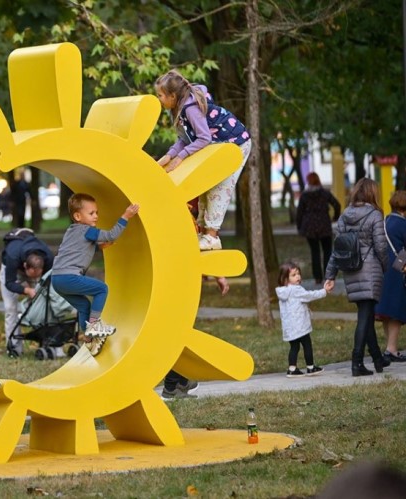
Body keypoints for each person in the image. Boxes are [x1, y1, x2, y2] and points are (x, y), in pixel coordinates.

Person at [155, 70, 252, 251]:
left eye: (160, 95)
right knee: (205, 186)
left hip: (236, 144)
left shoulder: (190, 108)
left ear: (172, 96)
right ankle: (202, 233)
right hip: (219, 145)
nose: (158, 99)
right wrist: (168, 157)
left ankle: (212, 236)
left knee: (219, 187)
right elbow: (185, 138)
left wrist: (180, 157)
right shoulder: (177, 108)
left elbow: (204, 138)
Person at [51, 193, 139, 356]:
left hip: (56, 280)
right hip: (69, 277)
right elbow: (111, 235)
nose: (96, 216)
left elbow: (79, 248)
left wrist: (100, 247)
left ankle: (89, 340)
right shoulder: (88, 230)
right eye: (91, 213)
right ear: (78, 216)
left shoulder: (71, 230)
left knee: (84, 305)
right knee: (101, 289)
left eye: (97, 212)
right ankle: (94, 325)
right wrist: (126, 216)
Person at [324, 178, 389, 377]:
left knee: (366, 314)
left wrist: (330, 274)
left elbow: (338, 248)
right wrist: (385, 267)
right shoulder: (375, 215)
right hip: (370, 270)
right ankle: (357, 361)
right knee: (364, 317)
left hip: (351, 270)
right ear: (371, 193)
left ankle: (377, 358)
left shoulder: (344, 216)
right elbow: (380, 247)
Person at [0, 227, 54, 357]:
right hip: (11, 273)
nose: (34, 278)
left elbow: (50, 280)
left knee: (46, 304)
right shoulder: (12, 256)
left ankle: (49, 343)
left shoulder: (48, 258)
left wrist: (39, 286)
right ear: (25, 266)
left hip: (33, 265)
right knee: (10, 308)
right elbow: (9, 283)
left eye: (37, 274)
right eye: (32, 275)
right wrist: (27, 290)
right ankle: (14, 348)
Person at [276, 261, 328, 378]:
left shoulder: (283, 291)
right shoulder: (296, 290)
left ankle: (292, 368)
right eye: (294, 275)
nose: (298, 277)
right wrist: (324, 291)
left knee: (294, 347)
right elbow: (310, 295)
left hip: (290, 327)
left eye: (298, 274)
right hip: (300, 326)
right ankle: (310, 367)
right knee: (307, 344)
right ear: (285, 278)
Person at [375, 190, 406, 363]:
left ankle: (389, 346)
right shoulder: (403, 225)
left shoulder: (385, 221)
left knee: (386, 310)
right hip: (398, 271)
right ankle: (392, 349)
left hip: (383, 268)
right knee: (396, 312)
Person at [296, 172, 341, 284]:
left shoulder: (305, 196)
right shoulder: (324, 193)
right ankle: (328, 276)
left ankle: (317, 277)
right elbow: (337, 205)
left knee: (314, 252)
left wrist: (300, 226)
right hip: (324, 225)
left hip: (310, 228)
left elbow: (299, 212)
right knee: (327, 251)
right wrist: (335, 217)